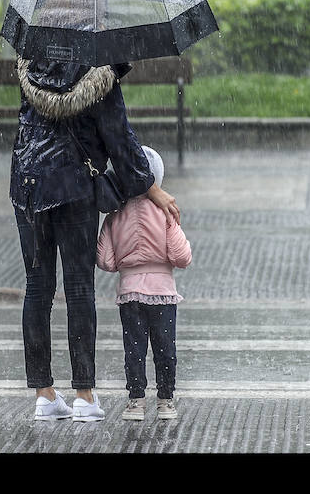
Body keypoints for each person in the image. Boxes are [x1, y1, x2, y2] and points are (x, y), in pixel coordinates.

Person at [10, 58, 181, 423]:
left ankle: (44, 394)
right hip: (73, 187)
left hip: (28, 186)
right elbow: (119, 138)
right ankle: (84, 397)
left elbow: (28, 130)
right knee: (78, 288)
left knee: (37, 288)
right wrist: (152, 189)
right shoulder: (98, 70)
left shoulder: (33, 64)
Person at [96, 146, 192, 421]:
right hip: (162, 293)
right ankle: (165, 400)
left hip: (129, 294)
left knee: (134, 350)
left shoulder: (116, 214)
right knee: (165, 349)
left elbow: (105, 260)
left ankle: (136, 402)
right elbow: (182, 256)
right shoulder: (164, 213)